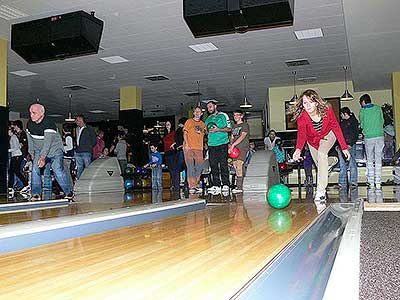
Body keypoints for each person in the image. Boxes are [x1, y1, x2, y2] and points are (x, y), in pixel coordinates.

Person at [290, 89, 350, 202]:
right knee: (320, 165)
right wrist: (298, 149)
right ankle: (332, 161)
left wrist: (344, 147)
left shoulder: (327, 109)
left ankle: (321, 191)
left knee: (322, 153)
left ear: (316, 102)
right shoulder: (302, 117)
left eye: (310, 102)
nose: (307, 106)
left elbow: (336, 127)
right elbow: (302, 135)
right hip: (312, 141)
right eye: (304, 103)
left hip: (328, 135)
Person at [26, 103, 73, 201]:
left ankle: (68, 192)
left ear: (41, 113)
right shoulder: (30, 124)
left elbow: (48, 143)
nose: (31, 115)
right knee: (35, 169)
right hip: (39, 149)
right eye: (30, 112)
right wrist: (31, 152)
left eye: (34, 113)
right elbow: (29, 139)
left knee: (57, 169)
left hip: (55, 150)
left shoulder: (49, 123)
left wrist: (42, 157)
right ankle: (36, 194)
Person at [205, 100, 232, 194]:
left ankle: (226, 184)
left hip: (222, 144)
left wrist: (218, 129)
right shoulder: (207, 119)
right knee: (213, 165)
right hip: (211, 145)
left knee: (223, 164)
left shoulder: (223, 115)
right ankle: (216, 185)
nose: (209, 109)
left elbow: (229, 128)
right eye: (208, 107)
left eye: (210, 106)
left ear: (215, 106)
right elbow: (206, 131)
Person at [359, 94, 384, 189]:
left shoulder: (363, 111)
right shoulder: (378, 108)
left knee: (369, 159)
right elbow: (382, 121)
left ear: (363, 102)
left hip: (369, 137)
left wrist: (365, 128)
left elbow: (362, 124)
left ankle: (371, 182)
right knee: (378, 159)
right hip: (379, 135)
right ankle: (378, 182)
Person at [184, 106, 206, 194]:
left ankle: (196, 184)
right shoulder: (189, 122)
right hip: (189, 147)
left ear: (201, 113)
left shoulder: (203, 124)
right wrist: (186, 144)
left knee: (199, 167)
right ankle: (191, 185)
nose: (197, 113)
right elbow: (185, 133)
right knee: (190, 167)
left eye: (199, 112)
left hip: (199, 148)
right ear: (193, 113)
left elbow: (205, 135)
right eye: (195, 111)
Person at [337, 107, 359, 189]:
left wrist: (349, 144)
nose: (341, 116)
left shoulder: (348, 123)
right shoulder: (354, 121)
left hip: (346, 145)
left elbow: (340, 134)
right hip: (346, 145)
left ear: (344, 114)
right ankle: (352, 182)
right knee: (351, 163)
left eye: (341, 114)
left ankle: (343, 183)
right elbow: (356, 134)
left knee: (344, 164)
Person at [229, 109, 249, 194]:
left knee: (240, 165)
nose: (236, 117)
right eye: (234, 115)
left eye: (238, 115)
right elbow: (232, 137)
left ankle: (239, 186)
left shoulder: (245, 125)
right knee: (235, 166)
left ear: (241, 116)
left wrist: (233, 145)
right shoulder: (233, 126)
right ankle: (242, 185)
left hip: (243, 148)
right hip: (234, 150)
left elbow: (242, 136)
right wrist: (230, 145)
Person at [8, 127, 28, 196]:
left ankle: (26, 184)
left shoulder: (13, 137)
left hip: (16, 156)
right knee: (12, 172)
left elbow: (16, 147)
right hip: (15, 156)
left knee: (16, 172)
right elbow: (19, 146)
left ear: (11, 131)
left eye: (8, 130)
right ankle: (10, 187)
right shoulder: (13, 137)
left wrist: (8, 150)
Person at [74, 115, 96, 179]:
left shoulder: (89, 128)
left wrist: (89, 147)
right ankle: (79, 181)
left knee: (88, 167)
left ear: (81, 120)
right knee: (79, 167)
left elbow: (94, 140)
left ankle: (88, 180)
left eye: (77, 120)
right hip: (78, 151)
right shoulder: (77, 129)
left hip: (86, 151)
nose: (76, 121)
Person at [174, 117, 188, 191]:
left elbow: (177, 141)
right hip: (186, 151)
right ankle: (186, 184)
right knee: (187, 169)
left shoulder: (177, 131)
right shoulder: (186, 131)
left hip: (179, 151)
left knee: (177, 169)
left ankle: (177, 185)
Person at [162, 120, 176, 189]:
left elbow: (176, 141)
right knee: (170, 169)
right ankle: (172, 183)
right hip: (167, 152)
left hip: (172, 152)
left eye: (169, 124)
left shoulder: (174, 132)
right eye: (166, 124)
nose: (167, 125)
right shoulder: (165, 134)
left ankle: (174, 183)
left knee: (173, 168)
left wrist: (174, 144)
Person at [62, 123, 74, 189]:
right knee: (67, 172)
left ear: (63, 130)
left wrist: (62, 148)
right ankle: (69, 187)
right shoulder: (68, 136)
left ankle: (70, 187)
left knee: (67, 173)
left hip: (67, 158)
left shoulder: (68, 136)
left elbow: (70, 147)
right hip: (68, 158)